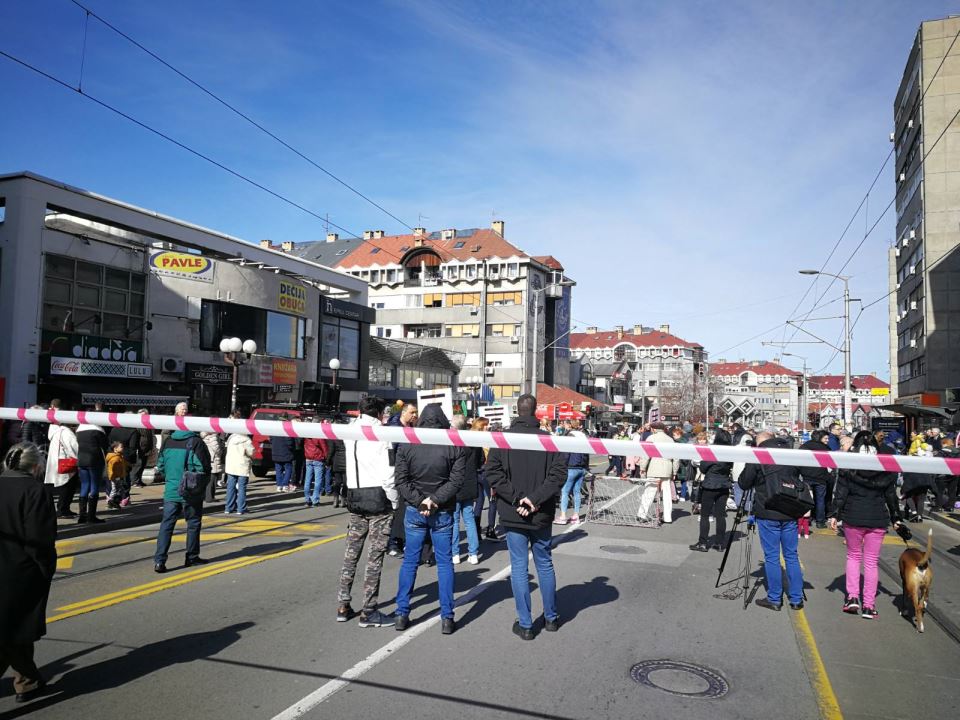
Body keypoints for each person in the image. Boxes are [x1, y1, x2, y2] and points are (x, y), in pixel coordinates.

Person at [485, 394, 567, 640]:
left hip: (514, 512)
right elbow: (558, 475)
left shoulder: (504, 439)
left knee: (519, 567)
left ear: (517, 411)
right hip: (539, 511)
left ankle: (526, 624)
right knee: (544, 563)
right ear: (535, 411)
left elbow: (493, 473)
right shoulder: (548, 440)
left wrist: (518, 499)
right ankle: (551, 618)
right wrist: (534, 499)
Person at [393, 404, 466, 634]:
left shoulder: (408, 443)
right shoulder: (453, 444)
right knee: (444, 563)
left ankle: (401, 613)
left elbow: (401, 480)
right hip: (441, 509)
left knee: (410, 561)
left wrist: (420, 501)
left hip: (416, 509)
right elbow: (456, 481)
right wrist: (434, 500)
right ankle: (447, 617)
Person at [0, 443, 57, 704]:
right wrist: (46, 568)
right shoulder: (35, 490)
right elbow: (39, 539)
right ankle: (27, 681)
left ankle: (27, 680)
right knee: (13, 629)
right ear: (36, 466)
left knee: (14, 627)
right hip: (20, 572)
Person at [336, 396, 398, 628]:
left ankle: (343, 604)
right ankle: (369, 610)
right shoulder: (382, 434)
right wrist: (394, 501)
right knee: (374, 557)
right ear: (380, 412)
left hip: (355, 494)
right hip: (378, 497)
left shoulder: (349, 431)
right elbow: (389, 473)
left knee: (351, 553)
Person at [829, 431, 903, 619]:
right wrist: (896, 518)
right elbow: (891, 496)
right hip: (877, 517)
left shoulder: (849, 467)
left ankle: (852, 598)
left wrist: (834, 514)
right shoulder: (885, 468)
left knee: (853, 557)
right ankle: (869, 606)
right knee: (871, 562)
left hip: (853, 516)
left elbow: (841, 493)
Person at [738, 431, 805, 611]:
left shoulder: (759, 456)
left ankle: (775, 598)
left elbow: (744, 483)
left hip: (767, 511)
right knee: (791, 556)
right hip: (790, 510)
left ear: (759, 443)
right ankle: (796, 598)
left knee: (772, 557)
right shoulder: (790, 454)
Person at [152, 425, 211, 573]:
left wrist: (172, 477)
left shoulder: (168, 441)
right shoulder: (196, 442)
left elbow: (160, 465)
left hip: (171, 490)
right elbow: (203, 467)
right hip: (190, 491)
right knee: (193, 523)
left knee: (166, 525)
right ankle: (192, 557)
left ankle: (159, 561)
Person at [689, 428, 733, 550]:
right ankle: (720, 543)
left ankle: (703, 542)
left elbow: (703, 468)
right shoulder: (730, 452)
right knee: (720, 515)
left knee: (705, 515)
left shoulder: (712, 451)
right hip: (724, 485)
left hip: (710, 484)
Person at [387, 403, 419, 557]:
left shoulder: (413, 428)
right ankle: (393, 542)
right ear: (404, 412)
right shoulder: (394, 428)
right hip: (396, 473)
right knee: (396, 509)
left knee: (404, 509)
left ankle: (402, 541)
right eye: (412, 412)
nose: (415, 415)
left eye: (416, 412)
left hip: (409, 473)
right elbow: (390, 453)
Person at [449, 414, 481, 565]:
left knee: (454, 521)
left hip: (454, 484)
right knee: (469, 520)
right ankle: (473, 553)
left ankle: (455, 553)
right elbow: (480, 461)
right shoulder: (473, 441)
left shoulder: (451, 442)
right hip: (469, 483)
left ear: (454, 427)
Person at [637, 423, 680, 525]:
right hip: (667, 469)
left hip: (654, 468)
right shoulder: (670, 440)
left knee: (649, 492)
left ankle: (642, 515)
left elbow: (646, 455)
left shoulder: (651, 438)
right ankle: (668, 517)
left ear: (654, 429)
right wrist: (674, 471)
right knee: (667, 494)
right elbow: (676, 458)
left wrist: (642, 468)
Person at [470, 418, 502, 541]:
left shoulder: (470, 438)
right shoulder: (486, 440)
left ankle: (477, 531)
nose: (488, 427)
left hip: (476, 473)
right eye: (486, 425)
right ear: (481, 426)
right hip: (487, 473)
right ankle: (490, 530)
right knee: (493, 501)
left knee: (479, 502)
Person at [555, 420, 589, 525]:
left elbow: (566, 454)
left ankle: (563, 516)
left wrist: (561, 465)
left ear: (570, 425)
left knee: (565, 492)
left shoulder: (570, 436)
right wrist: (586, 467)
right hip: (581, 467)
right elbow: (587, 454)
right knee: (577, 492)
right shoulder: (583, 436)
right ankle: (576, 516)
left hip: (571, 467)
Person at [76, 419, 109, 524]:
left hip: (81, 459)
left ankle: (82, 516)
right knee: (94, 486)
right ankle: (91, 516)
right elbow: (105, 445)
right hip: (95, 460)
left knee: (84, 486)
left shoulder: (79, 430)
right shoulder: (98, 430)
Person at [45, 416, 79, 519]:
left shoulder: (56, 431)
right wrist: (78, 458)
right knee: (68, 486)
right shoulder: (67, 433)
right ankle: (63, 509)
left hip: (57, 461)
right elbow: (73, 448)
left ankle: (63, 509)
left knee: (65, 486)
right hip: (66, 462)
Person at [799, 429, 833, 529]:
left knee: (807, 499)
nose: (827, 440)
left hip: (806, 476)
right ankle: (820, 521)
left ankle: (807, 519)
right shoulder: (825, 448)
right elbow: (830, 463)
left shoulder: (804, 446)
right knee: (820, 500)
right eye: (826, 438)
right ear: (820, 438)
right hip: (821, 477)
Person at [107, 415, 140, 509]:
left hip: (113, 457)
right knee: (125, 481)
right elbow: (133, 448)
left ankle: (110, 499)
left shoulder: (114, 429)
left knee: (113, 482)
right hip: (125, 460)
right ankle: (124, 499)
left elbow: (110, 443)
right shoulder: (133, 431)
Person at [902, 438, 937, 522]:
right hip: (923, 484)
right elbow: (929, 476)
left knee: (908, 496)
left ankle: (914, 512)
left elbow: (906, 474)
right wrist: (935, 491)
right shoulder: (927, 462)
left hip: (912, 483)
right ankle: (919, 516)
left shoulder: (912, 462)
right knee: (921, 499)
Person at [224, 417, 254, 515]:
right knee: (242, 488)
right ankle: (241, 508)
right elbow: (251, 452)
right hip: (242, 466)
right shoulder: (246, 440)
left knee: (230, 487)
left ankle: (228, 507)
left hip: (231, 465)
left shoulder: (231, 438)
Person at [303, 420, 330, 507]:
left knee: (307, 480)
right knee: (318, 480)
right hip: (318, 458)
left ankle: (307, 499)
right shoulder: (318, 434)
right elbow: (324, 448)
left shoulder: (306, 434)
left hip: (308, 458)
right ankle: (315, 500)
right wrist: (327, 458)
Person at [270, 417, 296, 493]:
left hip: (276, 453)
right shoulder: (287, 430)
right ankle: (285, 485)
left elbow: (271, 440)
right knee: (288, 469)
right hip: (286, 454)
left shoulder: (273, 430)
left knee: (278, 470)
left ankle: (279, 486)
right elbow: (290, 443)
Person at [132, 409, 155, 488]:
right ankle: (134, 481)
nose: (143, 417)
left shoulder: (148, 425)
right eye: (142, 415)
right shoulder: (137, 425)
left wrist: (151, 447)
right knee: (138, 465)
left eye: (145, 415)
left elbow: (150, 437)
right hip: (140, 448)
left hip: (146, 448)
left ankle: (139, 480)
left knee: (143, 465)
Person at [105, 441, 131, 509]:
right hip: (115, 478)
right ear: (115, 449)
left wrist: (128, 465)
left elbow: (123, 463)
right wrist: (113, 477)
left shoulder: (120, 456)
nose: (123, 448)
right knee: (114, 490)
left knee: (120, 490)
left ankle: (115, 502)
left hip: (119, 477)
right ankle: (110, 502)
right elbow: (111, 469)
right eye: (121, 447)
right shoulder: (115, 458)